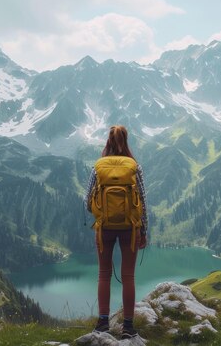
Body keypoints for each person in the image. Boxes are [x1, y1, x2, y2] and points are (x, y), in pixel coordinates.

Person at [84, 125, 148, 340]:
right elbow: (143, 202)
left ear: (108, 141)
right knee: (128, 275)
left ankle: (103, 323)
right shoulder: (134, 166)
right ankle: (128, 327)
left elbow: (87, 201)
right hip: (130, 228)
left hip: (105, 228)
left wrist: (102, 214)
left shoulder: (98, 167)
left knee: (104, 274)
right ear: (126, 140)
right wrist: (144, 230)